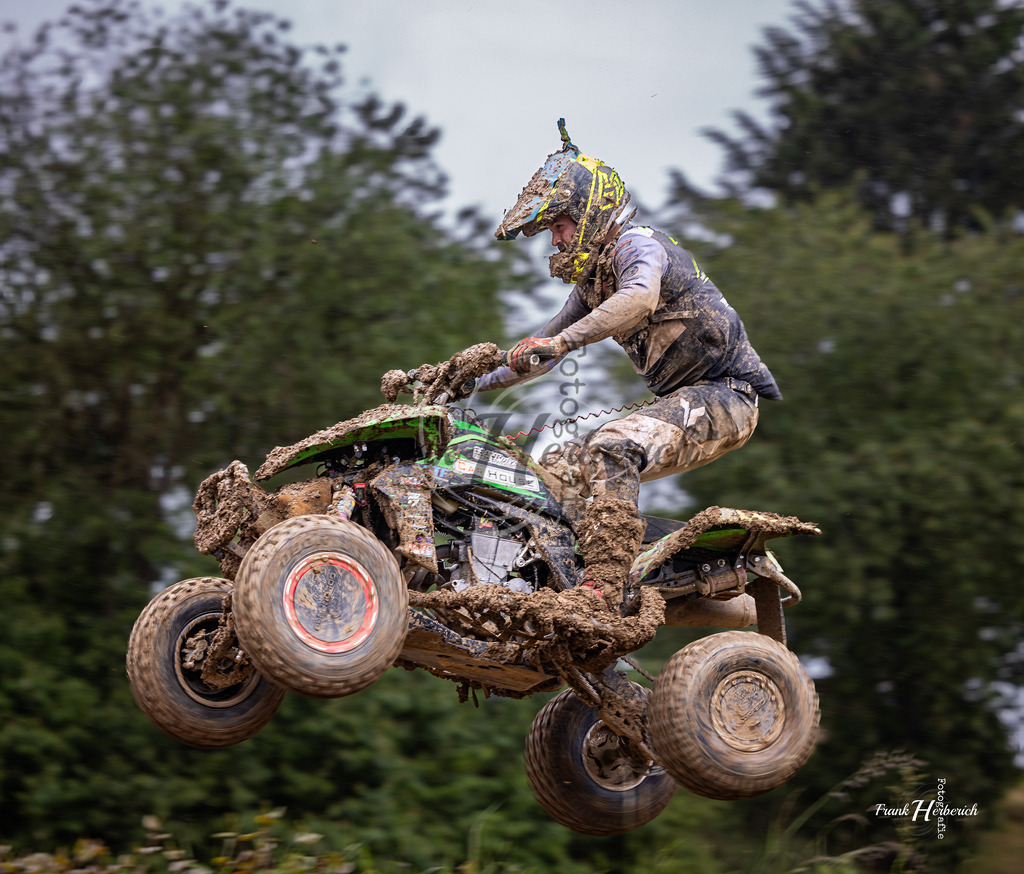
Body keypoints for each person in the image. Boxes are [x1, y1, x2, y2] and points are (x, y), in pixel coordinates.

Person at [469, 120, 781, 610]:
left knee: (613, 444)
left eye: (558, 226)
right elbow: (538, 353)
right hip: (684, 402)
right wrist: (464, 382)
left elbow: (639, 296)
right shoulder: (592, 284)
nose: (555, 241)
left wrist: (564, 341)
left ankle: (604, 585)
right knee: (550, 472)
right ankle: (557, 580)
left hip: (727, 396)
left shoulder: (638, 245)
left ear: (587, 212)